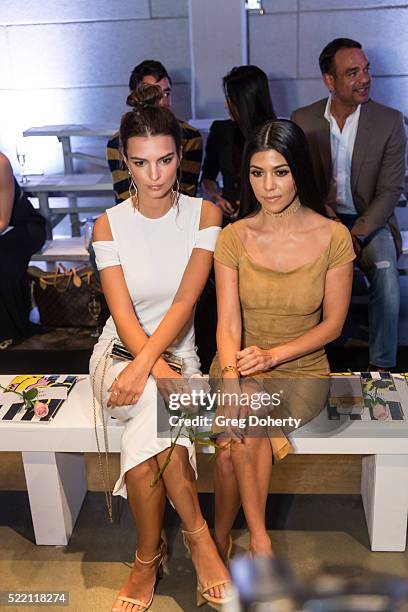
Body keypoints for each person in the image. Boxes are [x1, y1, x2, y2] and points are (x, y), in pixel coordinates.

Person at [90, 84, 230, 612]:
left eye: (166, 160)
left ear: (180, 156)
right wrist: (149, 370)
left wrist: (159, 369)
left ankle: (148, 557)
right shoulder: (109, 224)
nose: (154, 175)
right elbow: (122, 314)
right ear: (125, 160)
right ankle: (199, 539)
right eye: (142, 162)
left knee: (154, 417)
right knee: (157, 405)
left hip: (178, 358)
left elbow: (185, 303)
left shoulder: (206, 216)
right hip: (118, 358)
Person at [209, 119, 355, 560]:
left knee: (233, 442)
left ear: (299, 171)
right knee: (240, 426)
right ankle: (257, 540)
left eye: (280, 172)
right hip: (238, 362)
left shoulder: (334, 236)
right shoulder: (234, 236)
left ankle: (225, 540)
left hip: (301, 368)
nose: (268, 187)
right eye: (257, 173)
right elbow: (228, 323)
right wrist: (232, 378)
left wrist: (273, 357)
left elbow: (332, 326)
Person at [291, 38, 406, 371]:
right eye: (353, 72)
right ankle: (306, 359)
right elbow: (302, 182)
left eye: (366, 70)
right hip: (319, 217)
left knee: (386, 272)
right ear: (330, 81)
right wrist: (326, 220)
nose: (365, 79)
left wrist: (354, 234)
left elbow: (388, 192)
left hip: (370, 219)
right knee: (300, 270)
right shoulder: (303, 119)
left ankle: (382, 367)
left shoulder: (390, 121)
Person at [107, 59, 203, 203]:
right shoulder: (118, 141)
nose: (163, 101)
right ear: (136, 96)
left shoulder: (189, 136)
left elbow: (186, 194)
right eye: (153, 93)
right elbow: (125, 196)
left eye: (166, 93)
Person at [201, 64, 276, 221]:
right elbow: (208, 177)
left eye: (231, 98)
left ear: (247, 100)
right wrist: (217, 197)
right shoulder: (221, 131)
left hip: (268, 221)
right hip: (230, 221)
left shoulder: (276, 134)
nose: (226, 105)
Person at [0, 152, 46, 348]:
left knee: (3, 259)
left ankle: (12, 331)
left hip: (23, 226)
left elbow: (2, 221)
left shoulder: (1, 164)